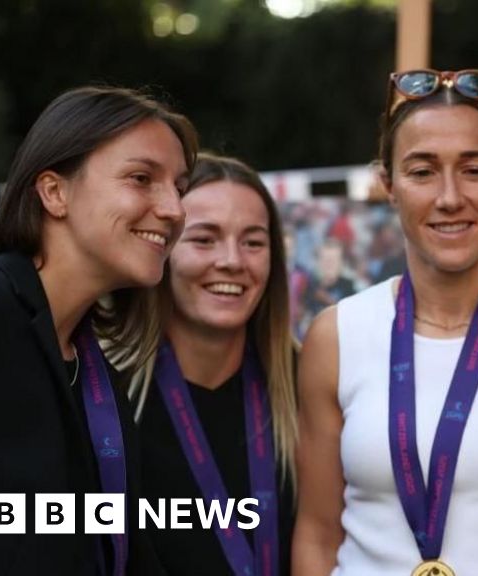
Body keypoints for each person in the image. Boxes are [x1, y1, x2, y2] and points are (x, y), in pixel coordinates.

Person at [292, 69, 478, 575]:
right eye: (422, 171)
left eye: (474, 170)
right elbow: (318, 535)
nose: (449, 197)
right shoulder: (337, 334)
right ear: (388, 185)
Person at [0, 85, 197, 575]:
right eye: (141, 178)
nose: (174, 209)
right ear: (54, 192)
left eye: (179, 186)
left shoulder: (98, 378)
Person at [111, 153, 298, 576]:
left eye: (253, 241)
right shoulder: (105, 394)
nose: (232, 260)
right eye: (204, 239)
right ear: (162, 249)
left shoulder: (309, 383)